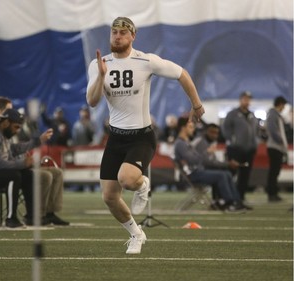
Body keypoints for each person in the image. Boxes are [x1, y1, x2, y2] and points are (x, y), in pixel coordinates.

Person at [86, 17, 204, 254]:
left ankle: (142, 184)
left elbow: (182, 73)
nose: (117, 36)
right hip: (116, 138)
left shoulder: (146, 61)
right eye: (114, 32)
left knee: (127, 179)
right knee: (109, 196)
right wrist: (100, 75)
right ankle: (136, 234)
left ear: (132, 37)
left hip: (141, 136)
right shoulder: (98, 64)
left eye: (122, 33)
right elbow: (92, 101)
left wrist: (196, 104)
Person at [0, 97, 69, 226]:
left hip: (12, 165)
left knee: (57, 172)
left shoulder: (4, 128)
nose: (13, 113)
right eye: (9, 110)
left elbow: (14, 149)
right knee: (45, 175)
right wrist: (23, 163)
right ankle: (37, 214)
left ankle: (49, 213)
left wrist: (38, 141)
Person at [174, 117, 246, 212]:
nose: (193, 129)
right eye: (190, 127)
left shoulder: (185, 142)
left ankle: (236, 201)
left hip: (197, 171)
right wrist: (206, 152)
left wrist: (203, 155)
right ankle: (229, 202)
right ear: (183, 128)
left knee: (226, 173)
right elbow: (192, 160)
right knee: (222, 175)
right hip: (193, 174)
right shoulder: (180, 144)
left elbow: (196, 158)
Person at [222, 91, 260, 202]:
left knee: (245, 174)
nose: (247, 101)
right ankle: (227, 196)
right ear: (240, 100)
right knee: (231, 173)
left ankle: (240, 196)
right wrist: (232, 140)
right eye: (245, 99)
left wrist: (255, 143)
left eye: (248, 99)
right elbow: (225, 128)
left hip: (249, 150)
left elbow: (256, 131)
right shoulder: (233, 114)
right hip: (235, 149)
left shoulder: (252, 115)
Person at [265, 96, 288, 202]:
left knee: (276, 171)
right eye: (283, 105)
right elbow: (273, 130)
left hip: (277, 147)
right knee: (274, 171)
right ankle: (271, 193)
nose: (284, 108)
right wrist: (280, 141)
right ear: (280, 104)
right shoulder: (273, 114)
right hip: (274, 147)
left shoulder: (276, 115)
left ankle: (274, 192)